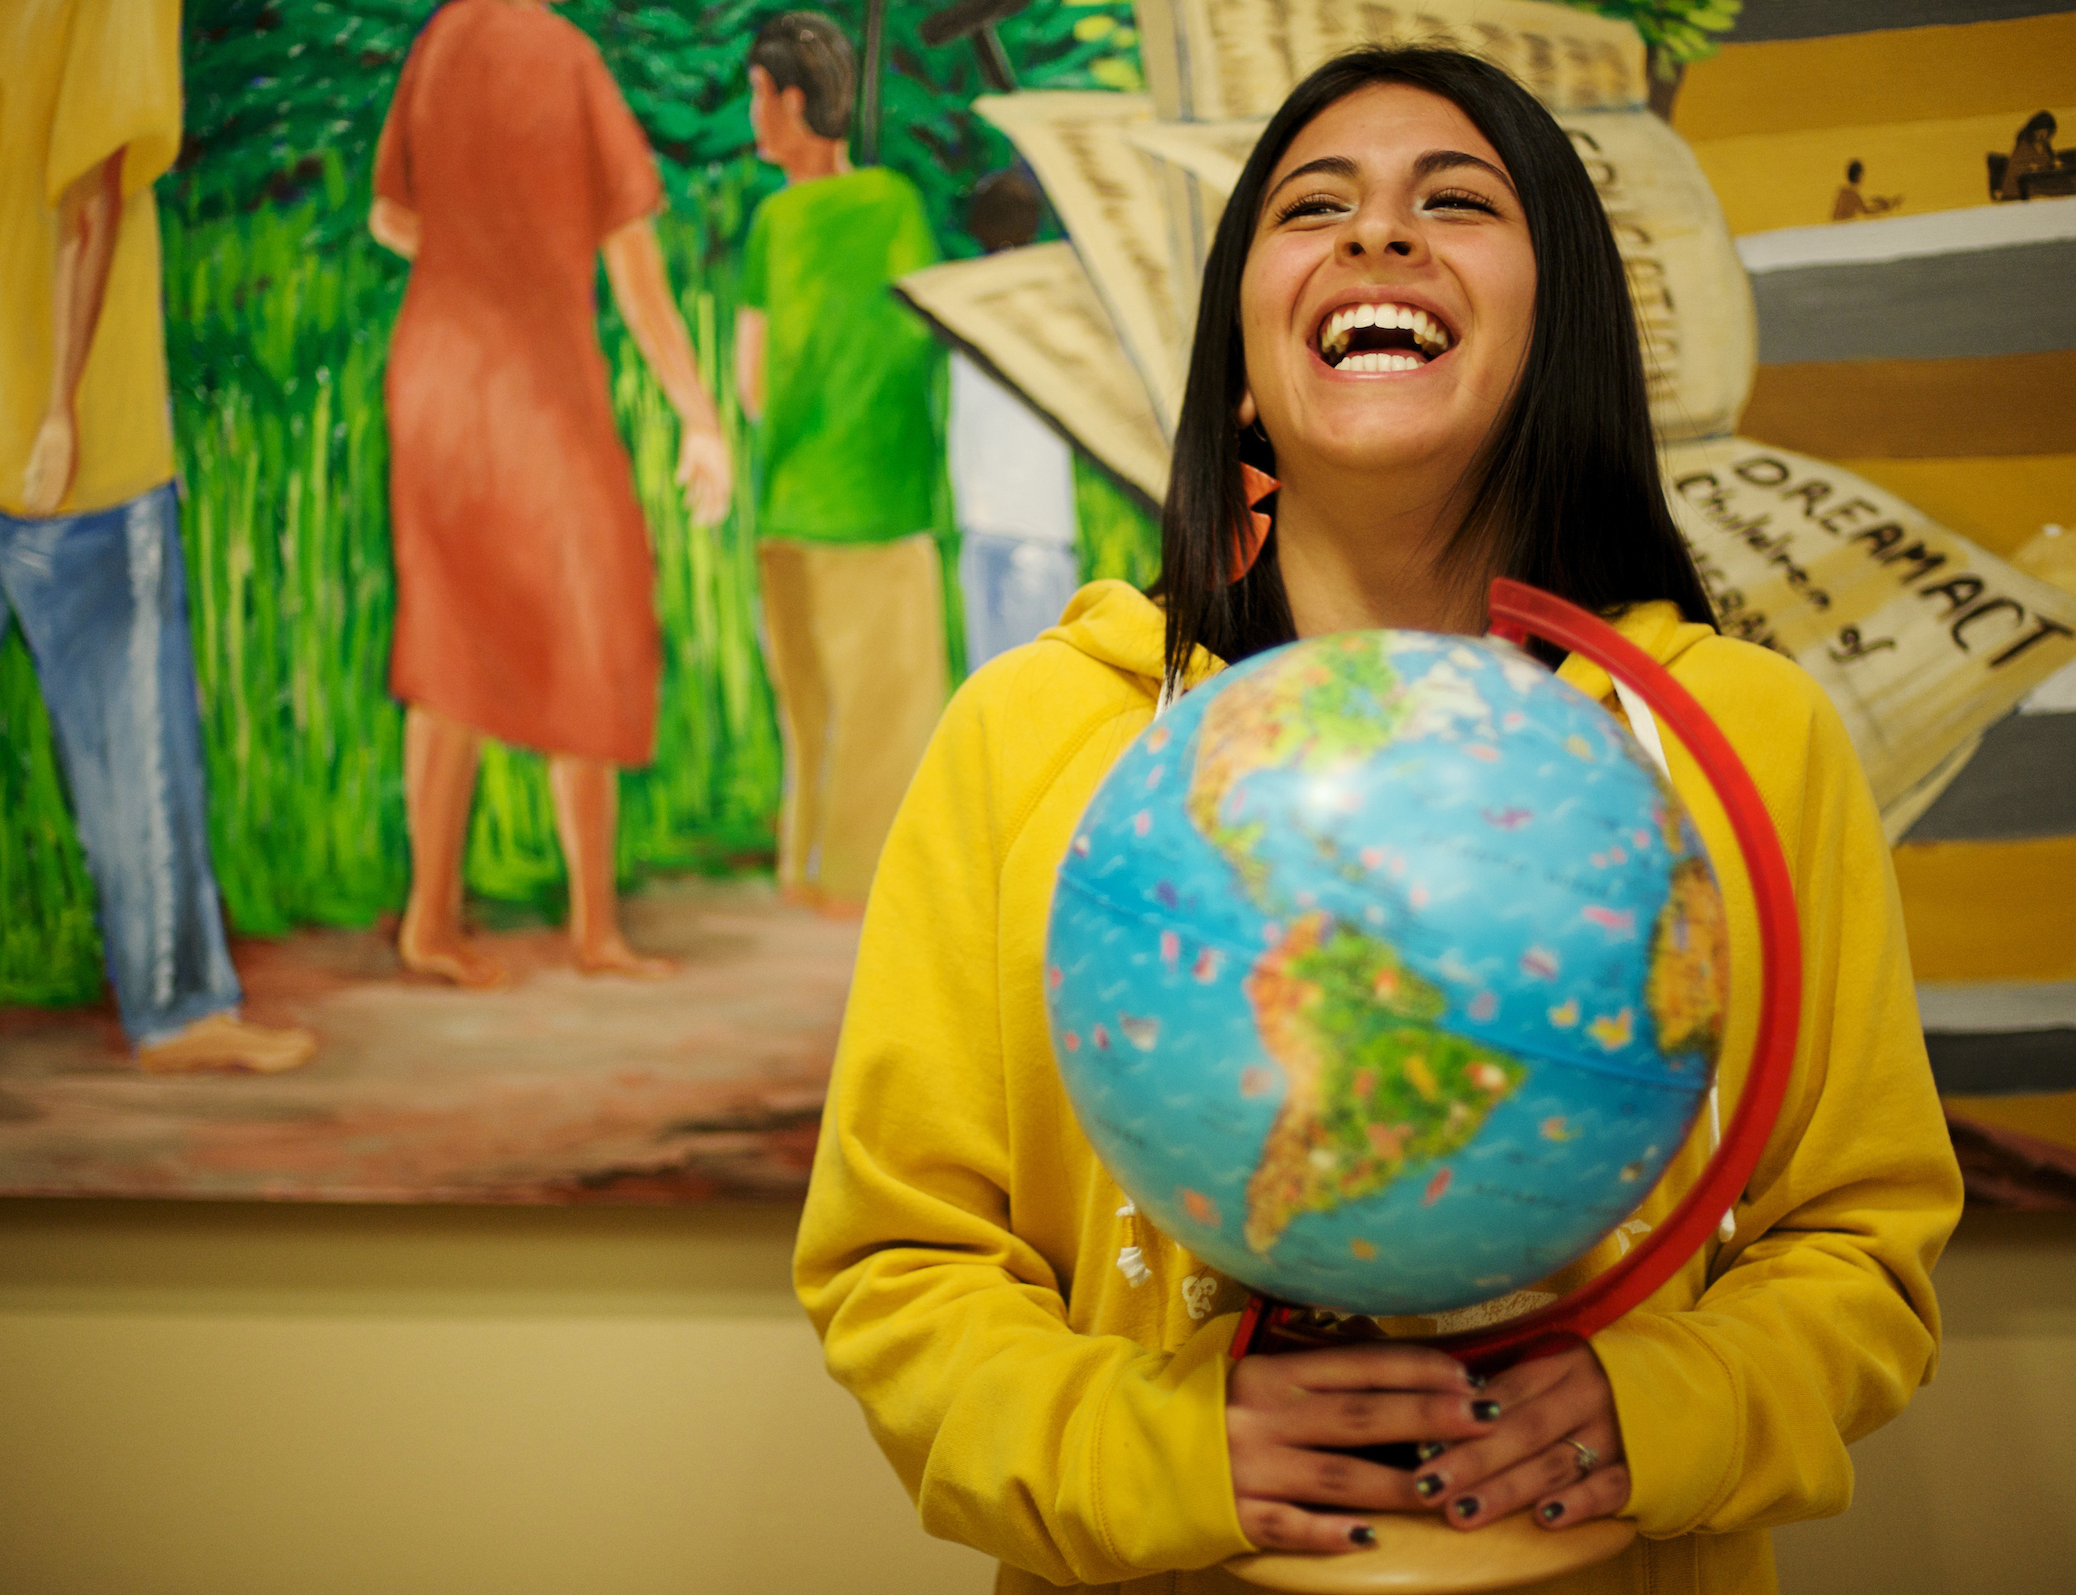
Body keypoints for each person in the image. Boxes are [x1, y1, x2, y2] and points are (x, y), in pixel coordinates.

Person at [794, 45, 1961, 1594]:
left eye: (1456, 201)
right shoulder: (1029, 732)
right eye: (1313, 207)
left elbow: (1862, 1239)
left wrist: (1667, 1401)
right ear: (1241, 345)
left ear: (1566, 322)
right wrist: (1152, 1443)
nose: (1377, 238)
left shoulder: (1745, 737)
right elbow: (900, 1263)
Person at [0, 0, 317, 1136]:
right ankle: (179, 1006)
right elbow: (93, 192)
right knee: (134, 701)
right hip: (66, 419)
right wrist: (58, 410)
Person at [370, 0, 731, 986]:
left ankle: (432, 919)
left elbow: (389, 217)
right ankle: (594, 928)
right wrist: (698, 413)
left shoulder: (439, 42)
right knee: (598, 613)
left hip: (436, 368)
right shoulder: (564, 57)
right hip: (531, 381)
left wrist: (473, 256)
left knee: (450, 625)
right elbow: (636, 268)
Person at [736, 12, 948, 915]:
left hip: (789, 504)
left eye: (756, 97)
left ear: (791, 100)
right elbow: (924, 335)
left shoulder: (773, 223)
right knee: (885, 713)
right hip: (880, 502)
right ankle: (864, 883)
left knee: (809, 710)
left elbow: (750, 378)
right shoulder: (895, 204)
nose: (753, 118)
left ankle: (805, 869)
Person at [949, 169, 1085, 672]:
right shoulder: (1051, 301)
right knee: (1045, 681)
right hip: (1041, 525)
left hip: (983, 524)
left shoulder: (962, 301)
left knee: (992, 683)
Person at [1830, 158, 1900, 222]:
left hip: (1837, 227)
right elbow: (1866, 211)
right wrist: (1883, 207)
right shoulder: (1853, 193)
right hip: (1843, 228)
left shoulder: (1842, 191)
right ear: (1858, 175)